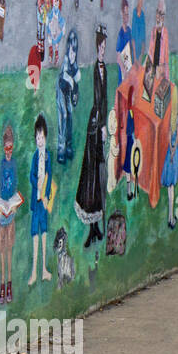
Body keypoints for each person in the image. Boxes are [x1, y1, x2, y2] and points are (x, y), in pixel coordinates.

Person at [75, 26, 109, 248]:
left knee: (99, 176)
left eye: (105, 48)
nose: (103, 51)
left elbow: (104, 99)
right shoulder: (93, 71)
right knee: (91, 179)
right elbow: (96, 99)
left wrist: (105, 125)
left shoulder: (104, 68)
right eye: (101, 47)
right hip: (93, 128)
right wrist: (100, 124)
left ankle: (96, 226)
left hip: (100, 126)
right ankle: (91, 227)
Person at [0, 123, 21, 304]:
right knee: (2, 248)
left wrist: (14, 205)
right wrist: (0, 206)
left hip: (11, 207)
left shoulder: (14, 164)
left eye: (10, 148)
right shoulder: (2, 165)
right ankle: (2, 285)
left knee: (9, 248)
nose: (8, 151)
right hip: (3, 208)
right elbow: (0, 188)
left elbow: (14, 186)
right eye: (6, 148)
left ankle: (9, 284)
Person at [27, 115, 55, 286]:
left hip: (43, 202)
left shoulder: (48, 156)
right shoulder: (35, 156)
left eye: (42, 137)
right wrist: (34, 181)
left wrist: (47, 196)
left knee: (44, 233)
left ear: (46, 137)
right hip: (36, 202)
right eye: (37, 137)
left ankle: (44, 269)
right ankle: (34, 272)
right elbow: (31, 174)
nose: (39, 140)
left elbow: (50, 176)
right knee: (34, 235)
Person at [56, 29, 81, 164]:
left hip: (68, 93)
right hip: (61, 90)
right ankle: (61, 147)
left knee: (70, 113)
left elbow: (77, 80)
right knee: (63, 115)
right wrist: (73, 84)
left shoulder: (74, 64)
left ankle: (69, 144)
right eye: (71, 51)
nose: (72, 55)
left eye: (74, 52)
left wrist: (76, 93)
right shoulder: (66, 62)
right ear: (67, 50)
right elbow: (67, 78)